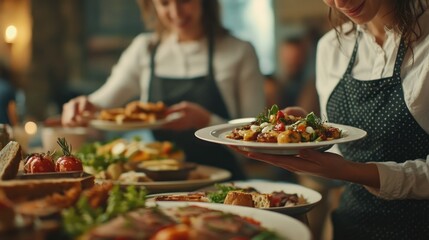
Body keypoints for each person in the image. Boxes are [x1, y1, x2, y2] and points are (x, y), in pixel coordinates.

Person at [233, 0, 429, 239]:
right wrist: (309, 133)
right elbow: (340, 154)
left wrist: (353, 171)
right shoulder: (332, 46)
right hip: (350, 227)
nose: (339, 2)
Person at [61, 0, 265, 180]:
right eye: (165, 3)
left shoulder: (239, 52)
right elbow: (103, 101)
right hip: (164, 183)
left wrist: (206, 121)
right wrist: (83, 106)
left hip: (228, 184)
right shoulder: (145, 49)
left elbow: (257, 144)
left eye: (185, 1)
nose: (176, 12)